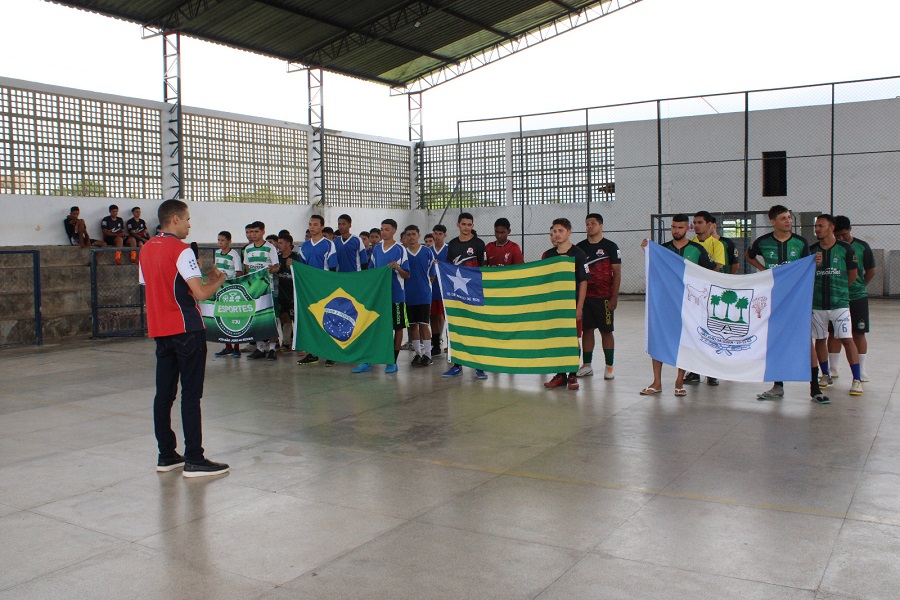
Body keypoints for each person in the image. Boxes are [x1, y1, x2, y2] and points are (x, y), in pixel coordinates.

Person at [139, 199, 229, 477]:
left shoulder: (145, 249)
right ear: (175, 219)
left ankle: (166, 454)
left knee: (164, 394)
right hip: (186, 329)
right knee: (191, 395)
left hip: (160, 329)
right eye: (188, 219)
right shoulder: (181, 249)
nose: (190, 224)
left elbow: (154, 285)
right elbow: (200, 294)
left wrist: (201, 277)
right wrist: (219, 279)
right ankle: (194, 458)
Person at [746, 205, 827, 402]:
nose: (789, 221)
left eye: (789, 217)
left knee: (806, 341)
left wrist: (815, 263)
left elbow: (807, 266)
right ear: (772, 221)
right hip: (773, 299)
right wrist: (763, 269)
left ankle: (815, 388)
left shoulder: (799, 242)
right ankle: (778, 386)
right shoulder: (763, 242)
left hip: (796, 299)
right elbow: (749, 255)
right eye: (783, 218)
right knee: (775, 340)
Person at [640, 214, 716, 396]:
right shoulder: (663, 249)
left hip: (688, 304)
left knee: (685, 341)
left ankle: (679, 382)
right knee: (658, 339)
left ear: (688, 228)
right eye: (673, 227)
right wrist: (648, 251)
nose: (676, 231)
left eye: (680, 228)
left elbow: (710, 273)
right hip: (663, 303)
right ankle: (656, 382)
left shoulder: (697, 250)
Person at [810, 214, 863, 397]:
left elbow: (853, 275)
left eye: (821, 226)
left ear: (831, 228)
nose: (817, 229)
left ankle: (857, 380)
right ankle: (825, 375)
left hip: (839, 304)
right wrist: (814, 267)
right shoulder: (811, 250)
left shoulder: (846, 249)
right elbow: (806, 276)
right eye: (816, 226)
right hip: (817, 304)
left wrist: (839, 290)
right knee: (820, 339)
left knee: (847, 339)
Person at [352, 219, 409, 374]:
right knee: (373, 327)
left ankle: (393, 361)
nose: (384, 232)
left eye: (387, 229)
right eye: (382, 229)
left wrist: (397, 267)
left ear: (394, 231)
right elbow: (372, 272)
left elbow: (407, 275)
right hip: (379, 296)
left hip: (396, 295)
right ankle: (368, 360)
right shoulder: (376, 250)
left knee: (397, 328)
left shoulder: (400, 250)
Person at [542, 218, 589, 390]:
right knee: (557, 340)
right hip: (554, 307)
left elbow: (583, 282)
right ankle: (560, 374)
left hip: (572, 305)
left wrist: (579, 307)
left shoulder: (578, 254)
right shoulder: (548, 255)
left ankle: (572, 375)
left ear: (569, 232)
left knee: (572, 340)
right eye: (554, 231)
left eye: (560, 231)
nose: (556, 234)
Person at [827, 215, 875, 382]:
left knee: (858, 332)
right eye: (837, 235)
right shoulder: (831, 247)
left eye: (844, 235)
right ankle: (832, 370)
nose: (841, 238)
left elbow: (870, 271)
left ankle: (861, 371)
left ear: (850, 230)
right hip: (836, 298)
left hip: (857, 297)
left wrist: (860, 286)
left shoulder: (862, 247)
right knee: (833, 333)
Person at [442, 213, 488, 380]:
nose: (467, 227)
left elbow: (484, 268)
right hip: (456, 294)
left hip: (474, 293)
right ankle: (457, 365)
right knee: (457, 328)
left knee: (476, 328)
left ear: (473, 225)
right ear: (458, 225)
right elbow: (447, 267)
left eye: (469, 224)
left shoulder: (479, 244)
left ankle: (479, 366)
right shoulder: (452, 245)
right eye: (464, 224)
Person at [576, 213, 621, 380]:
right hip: (585, 297)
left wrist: (614, 297)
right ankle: (587, 365)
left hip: (604, 297)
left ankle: (609, 366)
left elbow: (617, 273)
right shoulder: (580, 248)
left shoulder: (610, 246)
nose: (590, 226)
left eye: (593, 223)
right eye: (587, 223)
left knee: (606, 331)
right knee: (587, 330)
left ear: (601, 225)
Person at [684, 211, 726, 385]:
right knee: (694, 332)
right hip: (693, 296)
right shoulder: (690, 244)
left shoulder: (717, 245)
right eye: (694, 222)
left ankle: (711, 371)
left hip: (712, 294)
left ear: (710, 225)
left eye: (700, 222)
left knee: (712, 334)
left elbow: (716, 267)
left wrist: (704, 280)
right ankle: (694, 370)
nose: (696, 225)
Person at [297, 215, 338, 366]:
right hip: (309, 289)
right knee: (312, 320)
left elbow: (333, 268)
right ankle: (312, 353)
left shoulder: (329, 245)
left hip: (325, 288)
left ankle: (331, 353)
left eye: (315, 224)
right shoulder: (305, 246)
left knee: (328, 320)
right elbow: (301, 268)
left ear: (322, 227)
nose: (312, 227)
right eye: (310, 224)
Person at [242, 221, 280, 360]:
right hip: (254, 290)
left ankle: (272, 348)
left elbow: (276, 267)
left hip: (267, 288)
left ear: (263, 232)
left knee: (270, 318)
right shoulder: (247, 249)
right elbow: (247, 269)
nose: (253, 234)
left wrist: (269, 270)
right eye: (251, 232)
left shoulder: (270, 248)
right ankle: (259, 347)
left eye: (256, 231)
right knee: (256, 318)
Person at [403, 225, 436, 367]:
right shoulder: (402, 253)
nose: (411, 236)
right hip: (408, 295)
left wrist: (425, 287)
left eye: (413, 234)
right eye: (408, 234)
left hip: (423, 294)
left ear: (418, 235)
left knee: (424, 324)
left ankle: (428, 355)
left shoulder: (427, 252)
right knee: (412, 326)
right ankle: (417, 353)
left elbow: (432, 274)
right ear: (405, 236)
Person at [212, 230, 244, 358]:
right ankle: (227, 347)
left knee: (233, 318)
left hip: (230, 290)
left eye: (223, 240)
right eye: (218, 240)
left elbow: (238, 272)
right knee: (223, 316)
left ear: (229, 241)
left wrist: (233, 285)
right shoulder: (217, 253)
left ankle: (236, 347)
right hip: (220, 289)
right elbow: (216, 270)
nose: (220, 243)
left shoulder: (234, 255)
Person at [275, 232, 301, 354]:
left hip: (293, 295)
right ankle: (286, 343)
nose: (278, 245)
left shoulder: (296, 257)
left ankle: (300, 343)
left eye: (280, 243)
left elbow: (302, 272)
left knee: (296, 319)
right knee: (284, 318)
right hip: (281, 294)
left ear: (288, 244)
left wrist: (294, 266)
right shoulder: (277, 258)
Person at [429, 224, 448, 357]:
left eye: (440, 234)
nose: (437, 236)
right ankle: (436, 345)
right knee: (433, 317)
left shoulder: (449, 249)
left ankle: (449, 344)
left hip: (446, 289)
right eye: (435, 233)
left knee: (447, 317)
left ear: (445, 235)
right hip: (431, 288)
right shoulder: (427, 250)